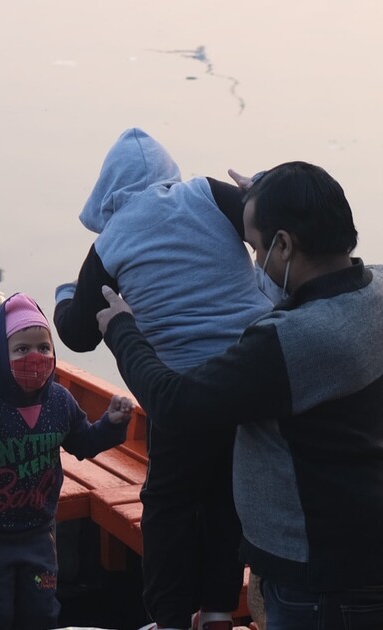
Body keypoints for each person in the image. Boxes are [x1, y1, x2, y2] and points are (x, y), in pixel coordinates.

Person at [97, 161, 383, 630]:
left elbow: (175, 403)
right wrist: (273, 197)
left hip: (320, 580)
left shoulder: (287, 342)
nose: (255, 262)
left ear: (285, 244)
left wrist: (124, 331)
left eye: (255, 246)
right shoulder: (374, 292)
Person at [53, 128, 272, 630]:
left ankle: (170, 620)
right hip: (249, 377)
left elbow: (81, 335)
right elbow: (270, 223)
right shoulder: (211, 194)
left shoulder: (109, 245)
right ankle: (218, 613)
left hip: (180, 393)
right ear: (169, 174)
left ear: (107, 194)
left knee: (169, 505)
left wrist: (67, 293)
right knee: (225, 497)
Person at [0, 293, 131, 629]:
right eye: (21, 349)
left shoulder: (60, 400)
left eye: (43, 348)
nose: (35, 357)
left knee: (42, 610)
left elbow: (83, 442)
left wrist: (112, 424)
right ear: (1, 356)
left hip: (38, 532)